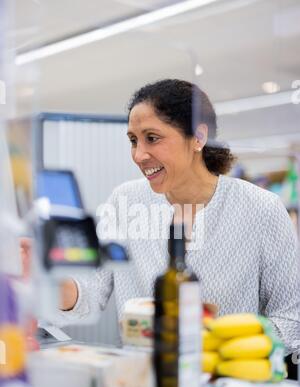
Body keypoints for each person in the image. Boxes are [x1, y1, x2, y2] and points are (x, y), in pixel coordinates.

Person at [22, 79, 300, 354]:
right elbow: (89, 297)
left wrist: (223, 348)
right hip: (141, 383)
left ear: (199, 138)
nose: (139, 155)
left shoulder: (261, 208)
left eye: (152, 138)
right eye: (133, 141)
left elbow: (291, 321)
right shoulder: (125, 201)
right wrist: (45, 276)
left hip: (228, 384)